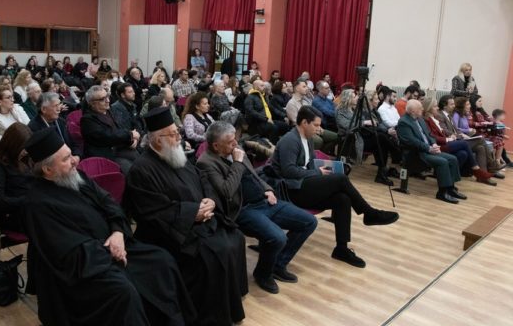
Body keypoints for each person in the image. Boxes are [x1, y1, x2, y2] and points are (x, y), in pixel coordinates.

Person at [22, 128, 196, 326]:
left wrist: (118, 232)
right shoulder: (37, 204)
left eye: (71, 154)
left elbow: (109, 203)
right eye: (66, 159)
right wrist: (111, 249)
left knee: (163, 261)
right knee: (123, 292)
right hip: (86, 269)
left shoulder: (76, 177)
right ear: (47, 170)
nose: (75, 160)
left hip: (115, 246)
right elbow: (68, 253)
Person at [126, 106, 248, 325]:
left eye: (178, 132)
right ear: (157, 140)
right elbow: (153, 212)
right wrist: (193, 213)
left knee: (235, 237)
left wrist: (210, 200)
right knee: (217, 252)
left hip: (200, 220)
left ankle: (230, 303)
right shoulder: (141, 170)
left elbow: (202, 177)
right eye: (173, 134)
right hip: (172, 233)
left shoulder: (175, 154)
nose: (178, 138)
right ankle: (210, 317)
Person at [197, 121, 317, 294]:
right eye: (230, 142)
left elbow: (254, 175)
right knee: (277, 238)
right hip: (243, 209)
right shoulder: (206, 162)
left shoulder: (235, 150)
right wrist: (237, 163)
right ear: (216, 145)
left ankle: (278, 265)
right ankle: (263, 274)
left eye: (235, 139)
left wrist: (267, 189)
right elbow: (227, 192)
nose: (235, 144)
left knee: (309, 221)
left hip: (263, 200)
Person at [271, 106, 398, 268]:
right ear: (304, 123)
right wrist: (318, 173)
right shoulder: (290, 140)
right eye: (316, 125)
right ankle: (369, 213)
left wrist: (322, 170)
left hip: (304, 185)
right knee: (341, 180)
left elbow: (309, 165)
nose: (319, 129)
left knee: (342, 199)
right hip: (291, 190)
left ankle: (341, 248)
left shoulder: (307, 139)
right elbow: (288, 171)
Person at [397, 100, 464, 204]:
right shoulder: (404, 122)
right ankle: (442, 192)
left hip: (428, 149)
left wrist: (433, 144)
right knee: (442, 162)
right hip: (416, 153)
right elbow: (412, 141)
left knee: (452, 159)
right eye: (420, 108)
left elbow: (429, 135)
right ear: (413, 111)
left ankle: (450, 188)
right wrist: (428, 148)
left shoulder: (420, 119)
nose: (423, 109)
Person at [422, 98, 495, 185]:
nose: (437, 108)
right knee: (478, 140)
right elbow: (433, 136)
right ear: (429, 108)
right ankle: (483, 168)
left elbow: (452, 130)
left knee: (471, 151)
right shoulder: (429, 119)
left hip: (449, 140)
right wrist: (450, 138)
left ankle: (480, 175)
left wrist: (457, 135)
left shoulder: (439, 117)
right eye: (435, 106)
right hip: (440, 145)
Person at [335, 89, 394, 185]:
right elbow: (347, 126)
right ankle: (395, 154)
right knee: (381, 138)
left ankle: (381, 174)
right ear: (348, 99)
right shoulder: (340, 111)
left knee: (380, 141)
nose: (357, 98)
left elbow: (361, 123)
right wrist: (364, 122)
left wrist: (366, 123)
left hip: (359, 137)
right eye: (354, 97)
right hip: (350, 139)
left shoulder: (355, 109)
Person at [0, 122, 32, 233]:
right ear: (13, 145)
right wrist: (29, 200)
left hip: (29, 209)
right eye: (23, 148)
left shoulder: (25, 158)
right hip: (12, 215)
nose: (26, 151)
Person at [80, 85, 140, 174]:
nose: (108, 100)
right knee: (131, 171)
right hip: (106, 155)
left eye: (107, 96)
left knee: (141, 162)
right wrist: (130, 135)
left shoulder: (108, 111)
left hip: (119, 148)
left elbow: (119, 129)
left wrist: (131, 140)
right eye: (102, 99)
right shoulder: (87, 120)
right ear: (92, 103)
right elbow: (107, 136)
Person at [28, 92, 80, 157]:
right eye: (56, 106)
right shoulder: (34, 128)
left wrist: (77, 156)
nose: (59, 109)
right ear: (43, 109)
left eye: (59, 105)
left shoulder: (61, 121)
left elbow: (74, 144)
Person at [244, 79, 290, 143]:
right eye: (262, 85)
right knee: (274, 128)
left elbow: (272, 108)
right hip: (256, 124)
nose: (264, 87)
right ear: (256, 87)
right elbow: (251, 112)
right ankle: (274, 146)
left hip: (267, 121)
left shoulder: (263, 96)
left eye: (264, 85)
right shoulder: (250, 97)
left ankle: (284, 143)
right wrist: (266, 119)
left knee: (285, 126)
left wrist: (284, 116)